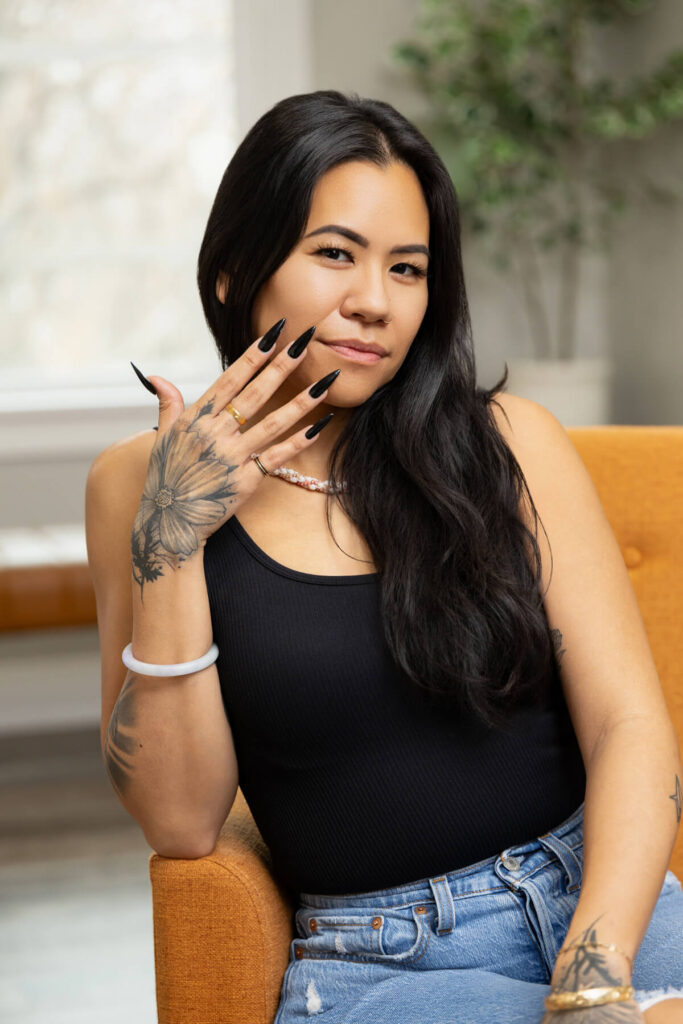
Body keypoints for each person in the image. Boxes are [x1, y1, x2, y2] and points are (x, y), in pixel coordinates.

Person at [85, 90, 683, 1023]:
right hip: (390, 967)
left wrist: (594, 980)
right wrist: (174, 536)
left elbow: (629, 729)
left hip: (606, 904)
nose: (373, 301)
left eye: (407, 269)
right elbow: (180, 818)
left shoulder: (509, 442)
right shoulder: (135, 482)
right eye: (334, 254)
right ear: (235, 270)